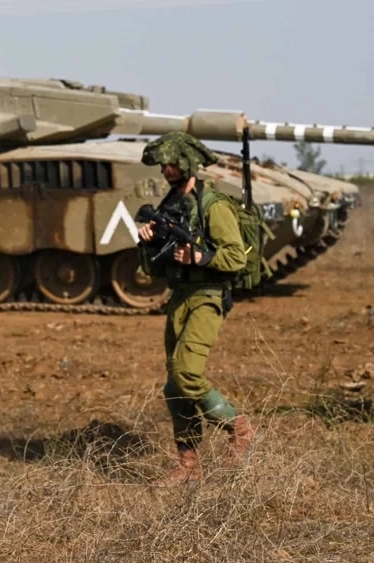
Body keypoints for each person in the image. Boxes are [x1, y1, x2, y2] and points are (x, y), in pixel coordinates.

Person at [136, 131, 257, 488]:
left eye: (172, 163)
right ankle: (188, 464)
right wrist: (148, 242)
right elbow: (154, 270)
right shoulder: (170, 204)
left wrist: (200, 256)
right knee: (175, 384)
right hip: (179, 296)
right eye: (163, 165)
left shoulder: (213, 205)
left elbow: (235, 256)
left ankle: (240, 429)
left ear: (188, 163)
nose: (167, 170)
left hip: (208, 294)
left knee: (188, 372)